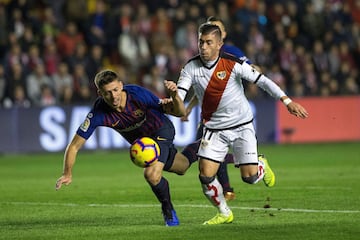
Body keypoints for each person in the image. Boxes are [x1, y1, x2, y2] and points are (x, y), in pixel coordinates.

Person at [172, 23, 308, 225]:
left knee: (250, 178)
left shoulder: (233, 63)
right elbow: (181, 96)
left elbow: (263, 81)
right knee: (205, 175)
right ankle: (224, 213)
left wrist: (287, 101)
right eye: (201, 42)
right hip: (213, 129)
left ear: (219, 44)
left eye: (209, 42)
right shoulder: (190, 67)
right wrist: (174, 96)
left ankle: (260, 165)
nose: (204, 47)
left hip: (241, 125)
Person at [55, 69, 199, 227]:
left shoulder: (137, 94)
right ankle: (204, 145)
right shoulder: (98, 112)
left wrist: (174, 96)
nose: (113, 96)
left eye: (116, 90)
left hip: (161, 130)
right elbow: (74, 145)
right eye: (107, 93)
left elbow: (179, 112)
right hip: (143, 144)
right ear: (100, 93)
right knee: (182, 166)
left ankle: (168, 210)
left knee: (151, 174)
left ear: (121, 85)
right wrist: (67, 173)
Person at [181, 16, 262, 201]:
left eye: (217, 29)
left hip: (230, 114)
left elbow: (253, 70)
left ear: (222, 35)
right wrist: (190, 107)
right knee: (207, 152)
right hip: (210, 115)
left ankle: (229, 187)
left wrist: (256, 73)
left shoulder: (231, 53)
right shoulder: (203, 58)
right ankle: (227, 189)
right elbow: (200, 90)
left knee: (206, 152)